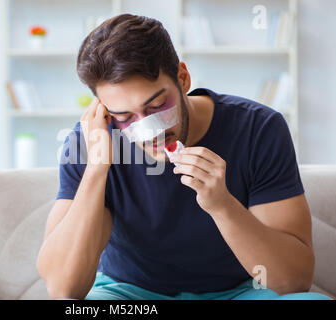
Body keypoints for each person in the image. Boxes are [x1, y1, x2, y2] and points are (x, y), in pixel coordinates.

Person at [36, 13, 332, 300]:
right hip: (128, 292)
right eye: (125, 116)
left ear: (183, 78)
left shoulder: (259, 128)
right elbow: (64, 291)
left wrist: (223, 206)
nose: (147, 131)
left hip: (243, 291)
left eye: (156, 106)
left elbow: (294, 281)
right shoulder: (90, 141)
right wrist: (96, 169)